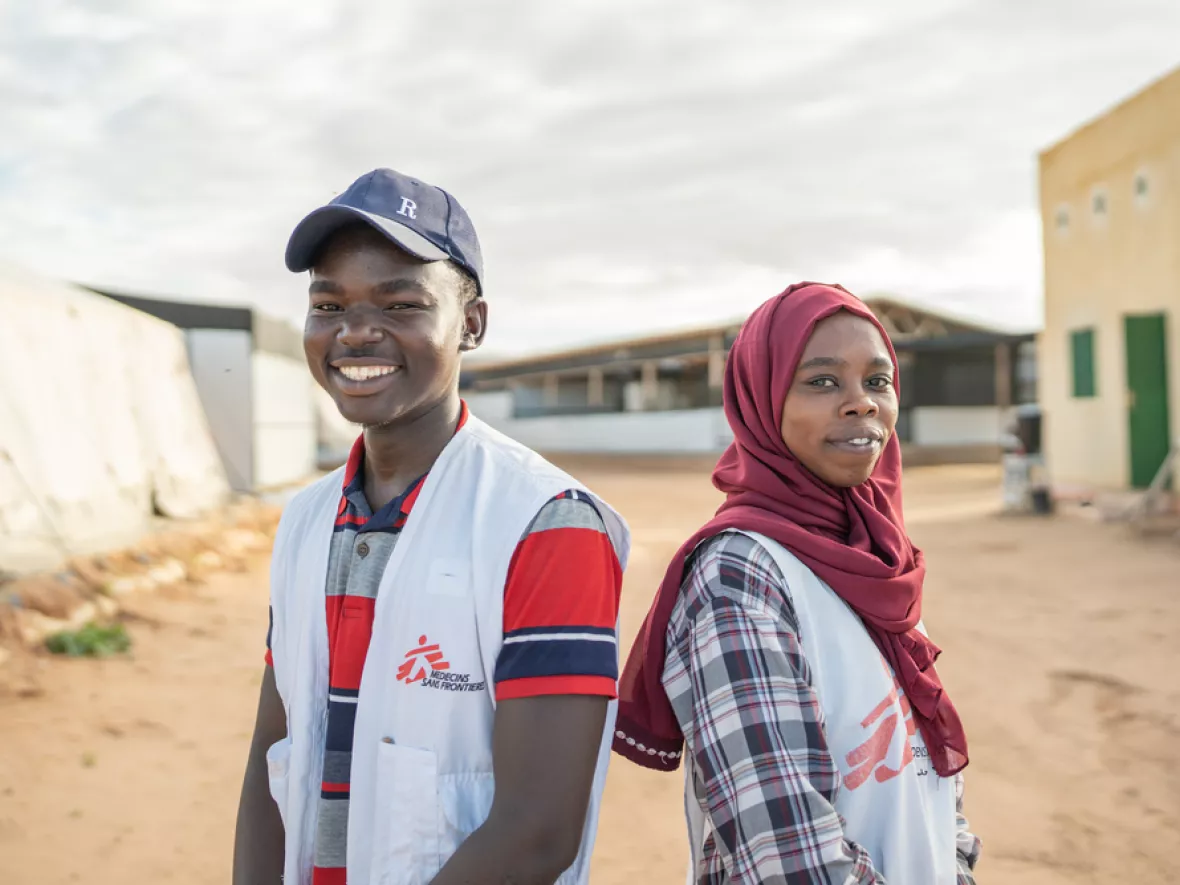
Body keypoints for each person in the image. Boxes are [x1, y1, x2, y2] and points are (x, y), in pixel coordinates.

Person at [233, 168, 630, 885]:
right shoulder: (304, 521)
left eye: (402, 304)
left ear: (471, 324)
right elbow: (273, 752)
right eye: (329, 304)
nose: (356, 331)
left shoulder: (545, 522)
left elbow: (538, 831)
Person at [612, 283, 981, 883]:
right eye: (822, 381)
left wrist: (954, 866)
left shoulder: (875, 558)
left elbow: (930, 779)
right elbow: (792, 861)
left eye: (878, 381)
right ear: (761, 401)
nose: (862, 404)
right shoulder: (739, 576)